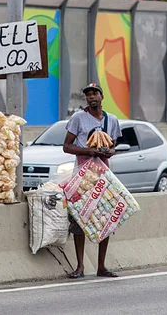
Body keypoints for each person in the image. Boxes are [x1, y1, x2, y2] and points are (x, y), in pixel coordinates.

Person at [63, 83, 122, 279]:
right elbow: (66, 146)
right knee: (79, 220)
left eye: (94, 93)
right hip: (83, 176)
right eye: (88, 95)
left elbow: (113, 147)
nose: (91, 97)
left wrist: (108, 152)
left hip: (103, 177)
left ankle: (101, 266)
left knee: (106, 219)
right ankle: (80, 266)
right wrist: (89, 151)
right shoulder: (78, 118)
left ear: (102, 96)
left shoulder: (111, 120)